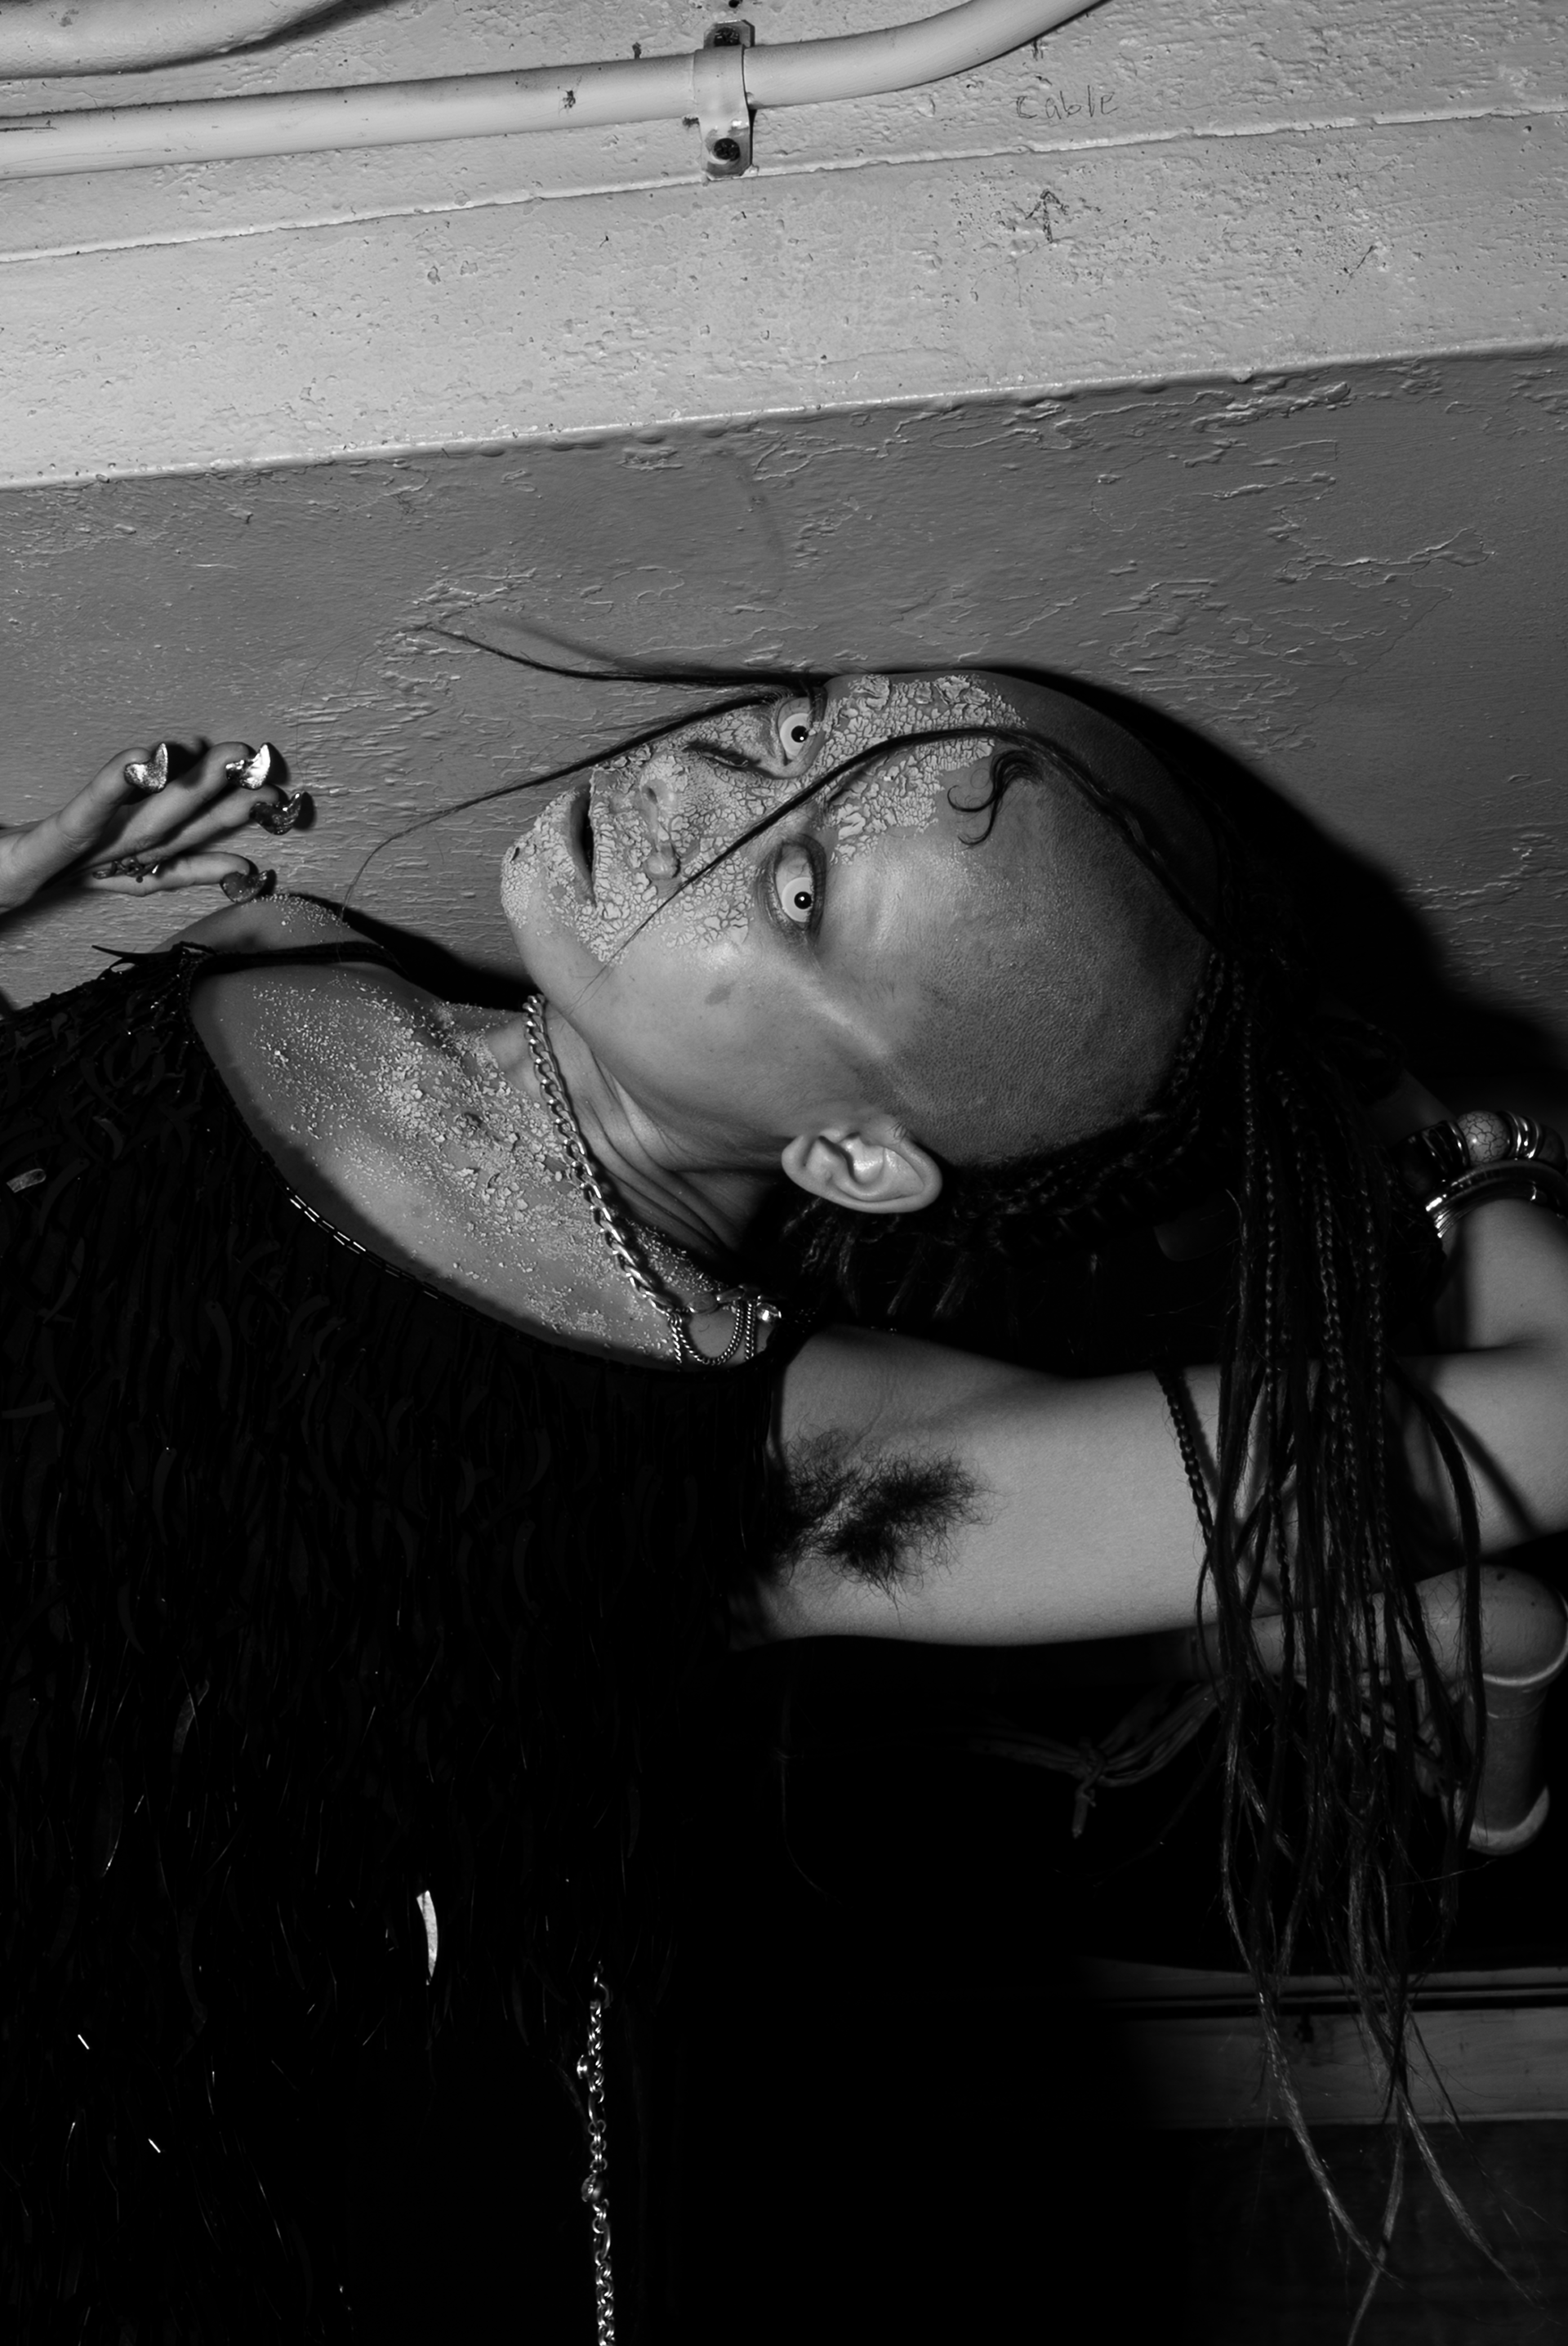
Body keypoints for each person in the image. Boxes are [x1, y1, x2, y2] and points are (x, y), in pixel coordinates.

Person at [3, 673, 1566, 2342]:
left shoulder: (785, 1458)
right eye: (808, 731)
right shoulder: (281, 946)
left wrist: (1437, 1137)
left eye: (801, 889)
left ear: (852, 1157)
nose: (701, 786)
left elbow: (1546, 1423)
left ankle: (1378, 1674)